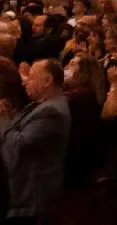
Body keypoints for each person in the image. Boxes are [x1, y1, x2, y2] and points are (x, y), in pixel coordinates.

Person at [0, 59, 72, 224]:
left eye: (31, 77)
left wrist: (3, 118)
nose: (25, 83)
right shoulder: (44, 104)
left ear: (47, 81)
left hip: (30, 198)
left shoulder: (51, 111)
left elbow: (17, 144)